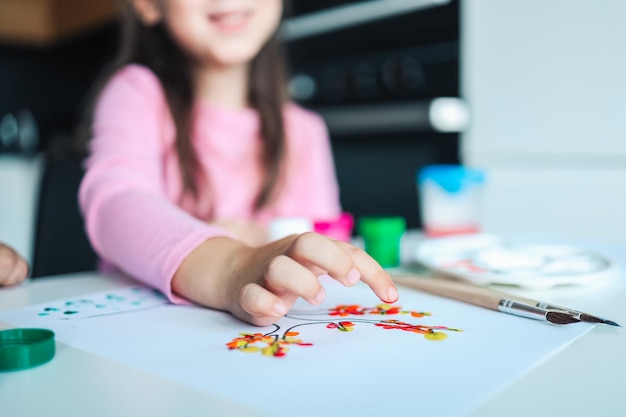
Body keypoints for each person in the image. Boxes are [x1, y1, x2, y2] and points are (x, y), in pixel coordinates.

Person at [78, 0, 398, 327]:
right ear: (147, 4)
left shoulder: (305, 131)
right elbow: (115, 203)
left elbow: (326, 248)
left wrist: (265, 240)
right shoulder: (135, 93)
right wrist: (234, 265)